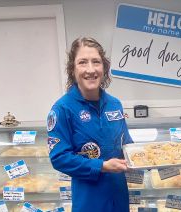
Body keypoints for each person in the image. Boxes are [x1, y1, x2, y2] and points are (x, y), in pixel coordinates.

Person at [46, 37, 133, 212]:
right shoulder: (62, 109)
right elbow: (59, 158)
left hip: (119, 197)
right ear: (72, 69)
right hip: (89, 200)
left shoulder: (115, 104)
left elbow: (126, 145)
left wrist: (151, 156)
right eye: (83, 62)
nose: (91, 69)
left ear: (104, 67)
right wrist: (102, 166)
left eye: (96, 62)